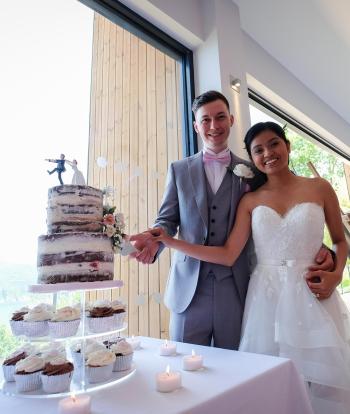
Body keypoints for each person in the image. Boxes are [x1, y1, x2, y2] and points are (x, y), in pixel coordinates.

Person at [139, 121, 350, 413]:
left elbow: (340, 240)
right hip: (267, 301)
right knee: (269, 383)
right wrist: (171, 242)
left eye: (274, 143)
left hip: (314, 295)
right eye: (258, 150)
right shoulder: (249, 200)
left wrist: (336, 274)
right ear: (252, 159)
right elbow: (227, 254)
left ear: (287, 146)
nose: (268, 153)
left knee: (324, 383)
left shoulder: (320, 188)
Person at [131, 91, 335, 350]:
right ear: (196, 126)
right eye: (205, 120)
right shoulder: (179, 170)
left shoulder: (253, 171)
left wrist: (322, 249)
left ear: (231, 120)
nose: (214, 126)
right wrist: (156, 239)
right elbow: (167, 220)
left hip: (237, 288)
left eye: (220, 117)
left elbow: (286, 209)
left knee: (236, 369)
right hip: (188, 290)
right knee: (184, 366)